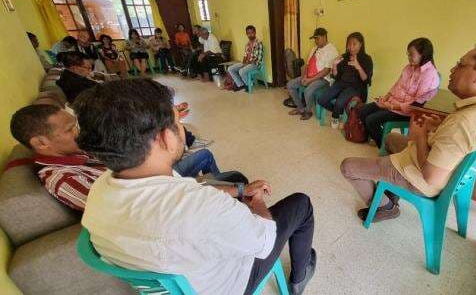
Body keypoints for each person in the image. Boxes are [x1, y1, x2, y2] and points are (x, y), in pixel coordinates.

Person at [74, 78, 316, 295]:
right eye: (177, 122)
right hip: (228, 284)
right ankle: (299, 278)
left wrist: (240, 191)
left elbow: (187, 191)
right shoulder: (202, 207)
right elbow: (263, 242)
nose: (182, 129)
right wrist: (258, 201)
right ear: (165, 138)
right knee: (301, 204)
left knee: (237, 180)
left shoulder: (100, 190)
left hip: (179, 277)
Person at [341, 41, 476, 223]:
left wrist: (419, 135)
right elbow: (459, 142)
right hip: (446, 166)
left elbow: (430, 177)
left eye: (460, 64)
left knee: (347, 167)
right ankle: (390, 189)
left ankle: (385, 207)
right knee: (391, 138)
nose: (452, 70)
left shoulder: (464, 122)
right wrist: (435, 129)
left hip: (421, 178)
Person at [9, 104, 244, 213]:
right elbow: (128, 209)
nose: (77, 132)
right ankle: (224, 196)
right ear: (40, 143)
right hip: (157, 191)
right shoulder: (62, 179)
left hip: (151, 180)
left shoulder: (73, 153)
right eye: (70, 129)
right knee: (228, 174)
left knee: (224, 173)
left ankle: (218, 187)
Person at [358, 38, 440, 147]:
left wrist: (391, 106)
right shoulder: (409, 67)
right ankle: (379, 137)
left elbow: (417, 105)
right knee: (363, 110)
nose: (409, 57)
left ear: (423, 54)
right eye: (408, 54)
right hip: (392, 103)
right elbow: (397, 85)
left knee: (371, 120)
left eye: (412, 55)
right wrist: (385, 98)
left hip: (406, 112)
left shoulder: (429, 75)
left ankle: (384, 144)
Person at [317, 32, 373, 128]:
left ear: (361, 44)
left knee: (339, 102)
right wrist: (334, 65)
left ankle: (336, 117)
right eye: (349, 44)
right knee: (321, 99)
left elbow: (366, 80)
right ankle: (339, 112)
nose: (351, 47)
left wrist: (358, 66)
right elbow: (336, 77)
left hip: (356, 87)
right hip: (340, 84)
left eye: (354, 44)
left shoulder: (366, 59)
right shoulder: (344, 57)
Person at [287, 27, 339, 120]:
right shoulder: (315, 48)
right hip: (310, 76)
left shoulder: (332, 50)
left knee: (308, 90)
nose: (315, 41)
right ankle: (301, 108)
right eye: (315, 38)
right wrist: (304, 76)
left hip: (323, 79)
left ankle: (308, 111)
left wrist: (310, 80)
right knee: (290, 85)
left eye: (317, 38)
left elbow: (326, 71)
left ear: (324, 37)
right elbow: (308, 64)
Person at [226, 25, 264, 92]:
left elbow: (256, 58)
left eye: (252, 32)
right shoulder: (247, 44)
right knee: (230, 69)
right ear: (246, 34)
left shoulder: (258, 43)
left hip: (255, 64)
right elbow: (245, 55)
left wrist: (246, 64)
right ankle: (240, 85)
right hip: (247, 63)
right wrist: (243, 63)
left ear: (255, 32)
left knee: (241, 71)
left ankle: (249, 84)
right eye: (248, 33)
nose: (250, 34)